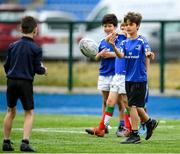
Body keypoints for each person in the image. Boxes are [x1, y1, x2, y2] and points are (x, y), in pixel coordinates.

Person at [108, 11, 158, 144]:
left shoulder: (142, 40)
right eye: (126, 24)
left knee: (133, 106)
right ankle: (149, 122)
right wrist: (113, 46)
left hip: (139, 78)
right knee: (134, 105)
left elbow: (147, 51)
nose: (128, 27)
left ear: (137, 26)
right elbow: (120, 55)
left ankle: (135, 135)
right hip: (128, 79)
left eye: (131, 24)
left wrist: (149, 54)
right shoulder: (124, 43)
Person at [2, 16, 47, 152]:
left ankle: (6, 142)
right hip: (25, 82)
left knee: (10, 111)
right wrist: (44, 70)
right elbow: (37, 69)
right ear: (36, 30)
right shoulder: (36, 49)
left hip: (11, 81)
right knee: (29, 112)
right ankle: (25, 142)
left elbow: (6, 66)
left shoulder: (12, 46)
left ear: (21, 29)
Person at [85, 16, 128, 137]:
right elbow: (96, 58)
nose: (107, 28)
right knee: (106, 101)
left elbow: (122, 54)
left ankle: (122, 124)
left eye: (110, 26)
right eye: (105, 26)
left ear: (115, 27)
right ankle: (104, 126)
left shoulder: (120, 39)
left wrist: (111, 54)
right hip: (104, 74)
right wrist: (100, 54)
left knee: (120, 102)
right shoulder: (103, 41)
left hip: (116, 74)